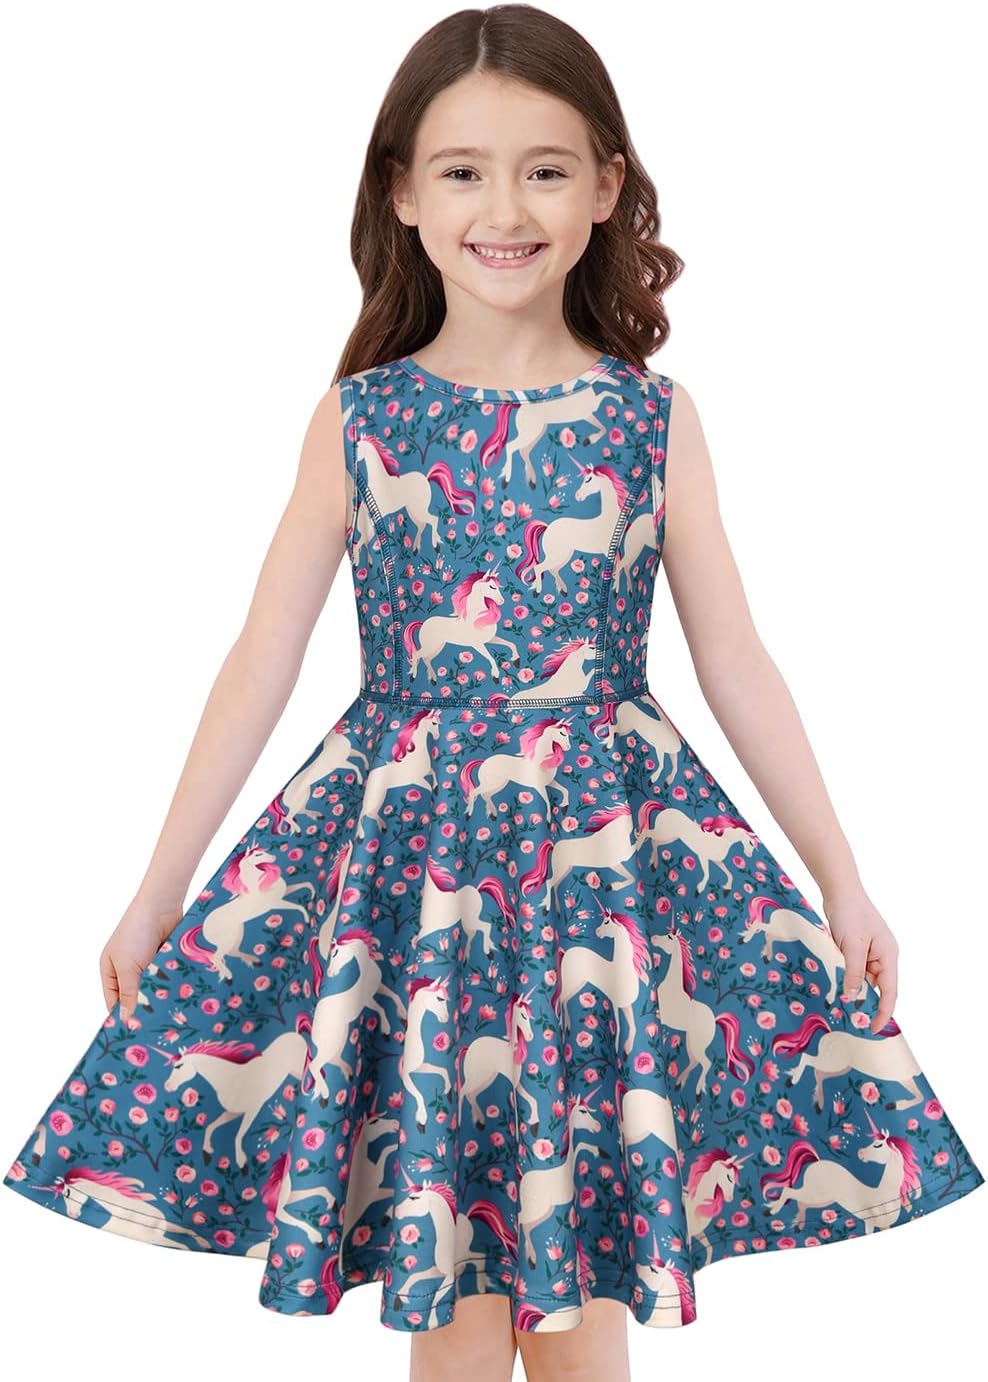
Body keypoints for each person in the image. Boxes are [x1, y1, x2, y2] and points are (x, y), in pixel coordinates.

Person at [3, 6, 984, 1382]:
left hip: (603, 884)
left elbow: (736, 657)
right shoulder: (362, 417)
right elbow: (260, 656)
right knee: (454, 1306)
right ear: (403, 193)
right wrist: (157, 889)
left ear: (606, 190)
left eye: (545, 169)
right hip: (419, 883)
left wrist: (842, 875)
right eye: (463, 170)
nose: (505, 208)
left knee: (581, 1321)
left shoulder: (651, 417)